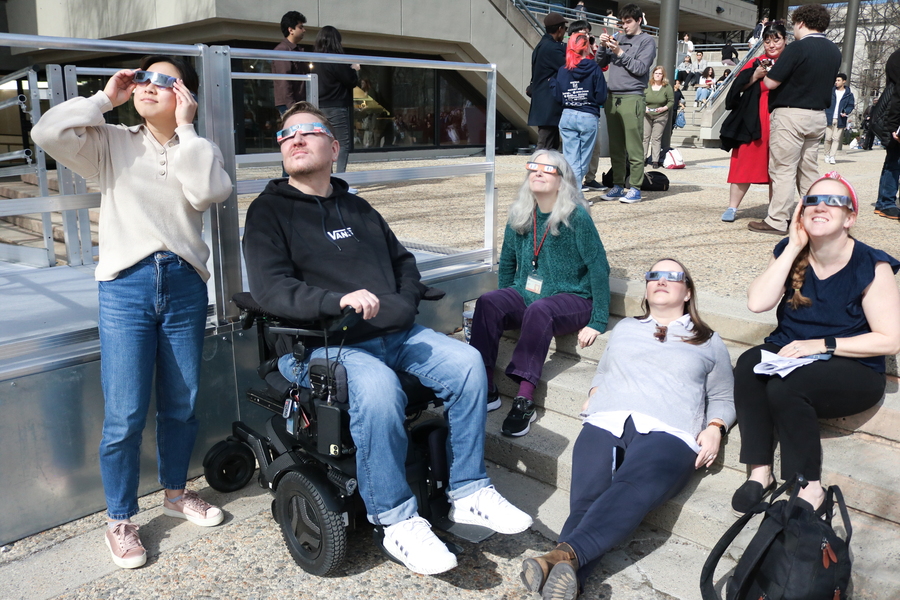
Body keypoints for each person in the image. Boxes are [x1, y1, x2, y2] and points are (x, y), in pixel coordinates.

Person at [242, 101, 533, 575]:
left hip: (391, 333)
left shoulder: (358, 207)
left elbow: (404, 264)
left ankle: (468, 490)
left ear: (333, 147)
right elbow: (272, 290)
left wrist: (402, 300)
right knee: (378, 385)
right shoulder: (269, 213)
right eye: (286, 135)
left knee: (467, 364)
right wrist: (337, 302)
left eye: (309, 130)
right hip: (318, 345)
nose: (294, 139)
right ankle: (395, 520)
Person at [31, 56, 233, 569]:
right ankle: (120, 519)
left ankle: (173, 492)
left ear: (184, 94)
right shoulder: (113, 143)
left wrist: (187, 129)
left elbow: (210, 191)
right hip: (126, 286)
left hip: (185, 284)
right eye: (143, 77)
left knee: (181, 403)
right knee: (123, 412)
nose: (149, 86)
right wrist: (104, 99)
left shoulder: (198, 147)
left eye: (164, 80)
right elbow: (46, 131)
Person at [518, 259, 735, 600]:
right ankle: (565, 575)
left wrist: (716, 427)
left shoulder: (707, 341)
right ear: (646, 289)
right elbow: (604, 371)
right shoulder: (626, 329)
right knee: (585, 502)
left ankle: (557, 558)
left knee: (632, 487)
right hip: (609, 418)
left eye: (672, 276)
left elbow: (723, 395)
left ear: (687, 291)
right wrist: (593, 395)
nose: (661, 281)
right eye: (654, 276)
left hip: (670, 429)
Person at [731, 172, 900, 514]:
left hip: (851, 366)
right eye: (812, 201)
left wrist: (822, 344)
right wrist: (793, 244)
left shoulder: (871, 264)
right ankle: (759, 471)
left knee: (786, 385)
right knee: (749, 364)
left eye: (833, 201)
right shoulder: (789, 251)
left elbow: (891, 339)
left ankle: (808, 486)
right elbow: (757, 303)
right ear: (801, 212)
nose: (820, 206)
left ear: (850, 217)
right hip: (791, 354)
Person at [470, 150, 609, 437]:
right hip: (527, 293)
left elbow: (598, 267)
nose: (539, 172)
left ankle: (524, 399)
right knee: (488, 302)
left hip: (573, 297)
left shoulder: (576, 216)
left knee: (540, 309)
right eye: (534, 167)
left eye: (549, 168)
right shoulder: (520, 213)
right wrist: (507, 294)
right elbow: (507, 261)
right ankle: (485, 386)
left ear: (563, 180)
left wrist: (598, 320)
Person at [748, 4, 842, 235]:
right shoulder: (834, 50)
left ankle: (777, 220)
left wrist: (764, 73)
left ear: (800, 23)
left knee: (783, 169)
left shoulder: (798, 48)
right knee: (808, 170)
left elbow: (771, 83)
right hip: (818, 115)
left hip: (791, 114)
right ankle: (816, 218)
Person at [719, 22, 788, 223]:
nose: (772, 45)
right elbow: (734, 90)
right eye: (767, 41)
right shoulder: (756, 61)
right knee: (743, 162)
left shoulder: (791, 60)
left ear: (785, 40)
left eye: (777, 40)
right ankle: (732, 207)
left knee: (778, 168)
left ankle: (774, 211)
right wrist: (754, 76)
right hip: (753, 119)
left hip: (780, 119)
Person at [596, 4, 657, 204]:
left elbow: (640, 68)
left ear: (639, 20)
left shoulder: (647, 41)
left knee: (634, 146)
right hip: (612, 96)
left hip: (633, 96)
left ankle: (636, 187)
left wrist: (620, 52)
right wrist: (603, 46)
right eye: (623, 22)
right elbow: (600, 63)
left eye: (629, 21)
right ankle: (617, 185)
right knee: (615, 146)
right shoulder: (618, 38)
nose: (625, 26)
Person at [551, 33, 607, 196]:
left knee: (570, 159)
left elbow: (559, 96)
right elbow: (602, 96)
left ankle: (570, 194)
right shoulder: (594, 68)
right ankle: (574, 197)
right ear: (586, 47)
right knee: (583, 160)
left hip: (567, 115)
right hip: (587, 116)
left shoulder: (563, 70)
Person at [311, 26, 360, 174]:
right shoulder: (336, 59)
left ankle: (328, 178)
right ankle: (340, 179)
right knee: (342, 144)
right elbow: (350, 81)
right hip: (336, 106)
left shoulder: (315, 60)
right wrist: (355, 70)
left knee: (325, 143)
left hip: (318, 107)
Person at [529, 13, 568, 150]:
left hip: (543, 103)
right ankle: (536, 170)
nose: (565, 32)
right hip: (548, 105)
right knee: (545, 146)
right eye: (565, 28)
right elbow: (568, 67)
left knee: (550, 146)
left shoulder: (542, 45)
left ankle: (544, 170)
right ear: (559, 29)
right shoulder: (551, 48)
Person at [874, 50, 900, 219]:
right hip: (894, 117)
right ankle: (885, 202)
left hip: (893, 116)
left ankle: (886, 201)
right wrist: (895, 127)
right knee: (895, 160)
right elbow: (898, 96)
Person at [273, 11, 309, 115]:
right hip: (289, 105)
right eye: (300, 27)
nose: (304, 30)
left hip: (298, 104)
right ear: (291, 30)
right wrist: (292, 107)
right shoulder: (283, 50)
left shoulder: (296, 50)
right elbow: (284, 81)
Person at [643, 66, 674, 168]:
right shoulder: (647, 85)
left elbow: (671, 101)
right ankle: (642, 159)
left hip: (661, 115)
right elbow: (641, 98)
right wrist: (645, 107)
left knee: (656, 138)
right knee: (645, 137)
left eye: (660, 74)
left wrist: (664, 108)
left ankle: (655, 160)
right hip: (647, 114)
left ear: (663, 76)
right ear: (653, 74)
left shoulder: (667, 87)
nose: (657, 75)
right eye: (656, 73)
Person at [823, 73, 855, 165]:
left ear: (844, 81)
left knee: (836, 139)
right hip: (829, 117)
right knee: (828, 138)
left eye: (838, 80)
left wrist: (846, 111)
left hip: (841, 118)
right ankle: (826, 155)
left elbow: (851, 105)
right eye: (836, 80)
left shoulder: (849, 94)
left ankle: (832, 156)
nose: (836, 82)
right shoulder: (830, 91)